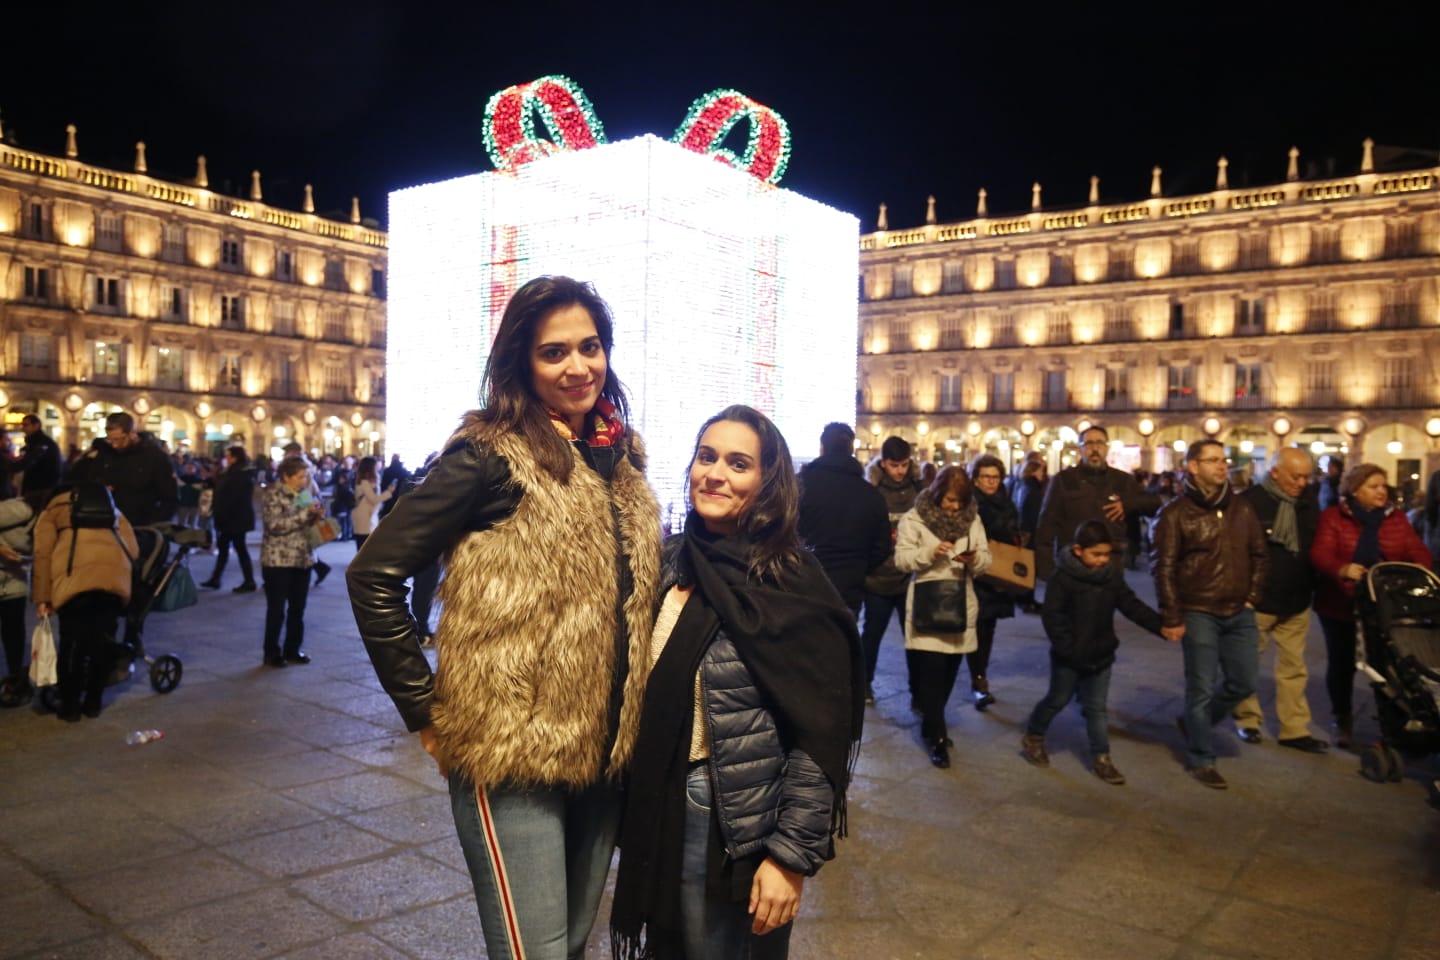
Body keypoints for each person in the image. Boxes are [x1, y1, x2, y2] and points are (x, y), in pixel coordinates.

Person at [347, 275, 661, 960]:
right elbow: (373, 573)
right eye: (554, 353)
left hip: (606, 751)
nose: (578, 366)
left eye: (591, 347)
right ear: (520, 362)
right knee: (535, 952)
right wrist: (425, 713)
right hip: (509, 751)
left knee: (573, 942)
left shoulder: (621, 459)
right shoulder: (489, 457)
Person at [610, 404, 863, 960]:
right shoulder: (672, 561)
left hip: (734, 822)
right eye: (707, 457)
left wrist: (789, 857)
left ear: (769, 484)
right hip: (660, 804)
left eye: (738, 463)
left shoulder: (790, 582)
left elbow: (820, 734)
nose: (714, 473)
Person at [1153, 439, 1268, 790]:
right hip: (1199, 609)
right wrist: (1172, 615)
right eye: (1213, 460)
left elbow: (1260, 555)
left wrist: (1251, 597)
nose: (1222, 466)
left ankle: (1195, 722)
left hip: (1239, 610)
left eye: (1224, 460)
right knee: (1200, 687)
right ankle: (1202, 756)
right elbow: (1164, 567)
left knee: (1244, 681)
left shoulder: (1242, 509)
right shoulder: (1175, 513)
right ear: (1193, 466)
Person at [1021, 520, 1168, 784]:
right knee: (1057, 699)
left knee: (1097, 708)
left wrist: (1161, 626)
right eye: (1096, 554)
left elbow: (1130, 604)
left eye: (1106, 554)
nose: (1102, 560)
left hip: (1101, 653)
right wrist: (1068, 648)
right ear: (1079, 550)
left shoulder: (1111, 576)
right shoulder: (1063, 578)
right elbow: (1053, 617)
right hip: (1069, 656)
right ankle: (1034, 735)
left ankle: (1102, 757)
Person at [1310, 462, 1432, 748]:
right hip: (1340, 601)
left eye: (1383, 486)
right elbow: (1320, 553)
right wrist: (1342, 569)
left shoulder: (1396, 518)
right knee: (1341, 663)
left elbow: (1417, 551)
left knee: (1386, 664)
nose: (1381, 491)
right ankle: (1342, 718)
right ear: (1355, 490)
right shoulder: (1333, 517)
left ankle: (1391, 724)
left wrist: (1411, 571)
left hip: (1383, 604)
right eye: (1373, 486)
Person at [1231, 448, 1329, 752]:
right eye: (1295, 476)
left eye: (1306, 476)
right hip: (1258, 600)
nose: (1301, 482)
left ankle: (1294, 728)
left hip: (1297, 599)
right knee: (1247, 665)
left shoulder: (1308, 503)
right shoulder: (1250, 502)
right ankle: (1247, 720)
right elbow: (1236, 552)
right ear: (1275, 472)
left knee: (1294, 668)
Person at [894, 465, 991, 768]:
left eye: (959, 501)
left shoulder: (972, 520)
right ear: (937, 494)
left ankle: (931, 724)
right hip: (928, 604)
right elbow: (901, 560)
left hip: (961, 603)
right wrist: (931, 552)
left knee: (949, 674)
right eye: (949, 500)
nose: (954, 506)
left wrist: (975, 560)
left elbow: (987, 559)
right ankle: (937, 736)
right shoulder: (915, 519)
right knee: (932, 676)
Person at [31, 483, 139, 720]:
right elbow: (133, 549)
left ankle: (69, 707)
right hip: (113, 582)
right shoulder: (112, 510)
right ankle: (93, 703)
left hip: (73, 584)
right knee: (102, 643)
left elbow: (43, 554)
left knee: (72, 645)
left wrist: (43, 598)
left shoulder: (53, 511)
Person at [1033, 425, 1161, 581]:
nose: (1095, 449)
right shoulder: (1063, 480)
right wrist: (1047, 571)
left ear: (1106, 449)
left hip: (1110, 565)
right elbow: (1046, 525)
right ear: (1080, 449)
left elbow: (1154, 504)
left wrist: (1128, 504)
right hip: (1073, 565)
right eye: (1089, 444)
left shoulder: (1122, 480)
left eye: (1099, 443)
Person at [796, 422, 890, 617]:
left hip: (800, 584)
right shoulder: (871, 496)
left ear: (821, 448)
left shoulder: (797, 487)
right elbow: (882, 547)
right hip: (848, 589)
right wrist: (859, 566)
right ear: (851, 449)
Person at [860, 437, 926, 704]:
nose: (899, 470)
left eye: (904, 464)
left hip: (911, 575)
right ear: (883, 462)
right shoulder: (871, 490)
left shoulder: (920, 489)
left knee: (915, 637)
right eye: (893, 465)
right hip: (878, 576)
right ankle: (865, 685)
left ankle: (918, 692)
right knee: (872, 633)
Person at [260, 456, 324, 667]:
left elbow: (306, 523)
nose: (303, 480)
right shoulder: (273, 494)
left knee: (298, 608)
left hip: (302, 558)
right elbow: (274, 525)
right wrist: (305, 513)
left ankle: (293, 648)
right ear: (286, 476)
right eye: (299, 476)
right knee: (276, 609)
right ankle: (271, 652)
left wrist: (316, 515)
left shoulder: (303, 494)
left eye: (305, 476)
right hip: (278, 560)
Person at [967, 454, 1018, 709]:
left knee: (989, 628)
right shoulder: (971, 504)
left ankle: (980, 676)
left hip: (999, 573)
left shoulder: (1006, 502)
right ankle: (978, 680)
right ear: (976, 478)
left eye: (995, 477)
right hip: (977, 573)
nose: (991, 482)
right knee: (976, 627)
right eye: (986, 476)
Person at [73, 412, 178, 527]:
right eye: (111, 440)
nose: (115, 445)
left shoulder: (155, 456)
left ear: (132, 433)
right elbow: (93, 479)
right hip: (109, 523)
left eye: (119, 439)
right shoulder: (106, 454)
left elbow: (170, 497)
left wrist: (153, 523)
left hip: (140, 526)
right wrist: (101, 488)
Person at [200, 446, 257, 593]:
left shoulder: (239, 473)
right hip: (233, 517)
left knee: (237, 548)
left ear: (234, 457)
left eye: (228, 455)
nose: (226, 458)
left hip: (234, 518)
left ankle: (247, 581)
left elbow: (230, 494)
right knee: (228, 547)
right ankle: (218, 578)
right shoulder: (234, 471)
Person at [0, 496, 35, 707]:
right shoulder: (19, 508)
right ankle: (15, 678)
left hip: (15, 581)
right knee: (14, 631)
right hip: (16, 578)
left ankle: (15, 678)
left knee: (13, 631)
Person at [1011, 455, 1047, 613]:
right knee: (1029, 568)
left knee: (1025, 567)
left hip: (1023, 532)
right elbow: (1032, 513)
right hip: (1030, 533)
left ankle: (1024, 598)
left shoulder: (1021, 485)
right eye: (1040, 471)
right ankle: (1027, 600)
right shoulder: (1032, 489)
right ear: (1033, 471)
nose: (1042, 474)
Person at [17, 414, 62, 507]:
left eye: (26, 425)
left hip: (39, 488)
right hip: (38, 487)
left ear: (36, 425)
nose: (23, 428)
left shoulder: (42, 444)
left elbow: (30, 463)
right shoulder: (36, 442)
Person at [351, 455, 394, 551]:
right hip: (364, 517)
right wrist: (388, 492)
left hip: (367, 516)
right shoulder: (365, 482)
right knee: (364, 545)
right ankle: (361, 565)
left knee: (365, 544)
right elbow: (373, 499)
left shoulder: (367, 481)